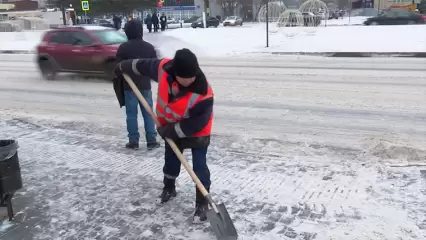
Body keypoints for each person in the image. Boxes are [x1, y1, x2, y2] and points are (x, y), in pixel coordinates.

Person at [114, 48, 214, 222]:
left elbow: (196, 124)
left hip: (197, 130)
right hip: (170, 125)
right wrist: (123, 66)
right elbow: (142, 66)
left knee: (199, 166)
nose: (191, 80)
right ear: (176, 73)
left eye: (193, 76)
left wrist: (171, 131)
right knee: (171, 158)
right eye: (186, 77)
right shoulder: (165, 69)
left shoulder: (204, 92)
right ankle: (169, 187)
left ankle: (202, 202)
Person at [113, 19, 160, 150]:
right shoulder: (149, 47)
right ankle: (151, 140)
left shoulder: (123, 48)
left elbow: (118, 67)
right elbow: (155, 67)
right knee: (149, 113)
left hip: (129, 87)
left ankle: (133, 141)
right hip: (145, 85)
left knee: (131, 115)